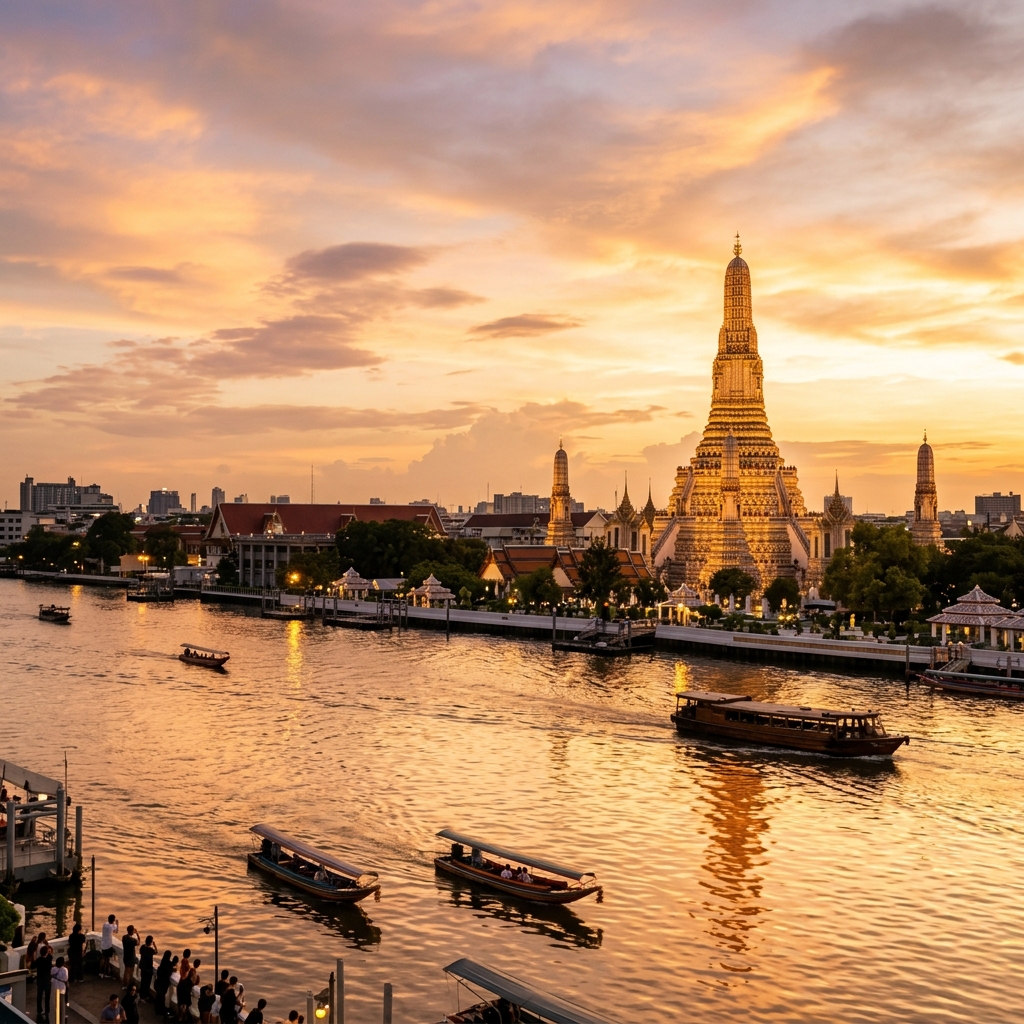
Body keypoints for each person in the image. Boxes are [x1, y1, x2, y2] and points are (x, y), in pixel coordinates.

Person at [35, 942, 53, 1023]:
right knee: (47, 996)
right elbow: (50, 957)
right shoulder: (49, 960)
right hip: (47, 980)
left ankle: (39, 1010)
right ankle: (47, 1010)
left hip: (40, 979)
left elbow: (32, 965)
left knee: (39, 995)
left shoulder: (38, 961)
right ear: (46, 953)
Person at [51, 954, 69, 1023]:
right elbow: (65, 979)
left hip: (55, 987)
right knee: (62, 1003)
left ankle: (56, 1015)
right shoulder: (64, 970)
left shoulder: (53, 969)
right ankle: (62, 1017)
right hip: (61, 988)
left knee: (55, 1002)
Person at [101, 914, 119, 979]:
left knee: (103, 959)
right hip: (108, 945)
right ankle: (106, 973)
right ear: (113, 920)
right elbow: (116, 931)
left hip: (103, 944)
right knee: (107, 960)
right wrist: (117, 923)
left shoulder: (105, 924)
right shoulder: (111, 927)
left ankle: (101, 972)